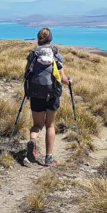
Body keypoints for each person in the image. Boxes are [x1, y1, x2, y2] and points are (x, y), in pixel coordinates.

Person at [24, 27, 69, 166]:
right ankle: (48, 158)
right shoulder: (55, 55)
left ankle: (33, 140)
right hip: (52, 94)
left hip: (36, 93)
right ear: (50, 39)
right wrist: (69, 81)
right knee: (50, 125)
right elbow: (62, 78)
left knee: (37, 125)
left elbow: (27, 74)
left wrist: (27, 90)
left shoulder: (33, 55)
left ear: (38, 39)